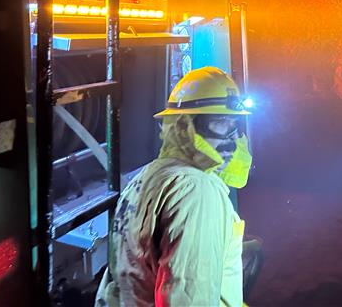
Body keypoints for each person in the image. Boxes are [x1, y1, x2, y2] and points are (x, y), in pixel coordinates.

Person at [96, 66, 253, 307]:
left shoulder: (149, 175)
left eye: (234, 124)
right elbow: (189, 296)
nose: (233, 137)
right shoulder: (198, 190)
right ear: (185, 127)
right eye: (221, 122)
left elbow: (120, 276)